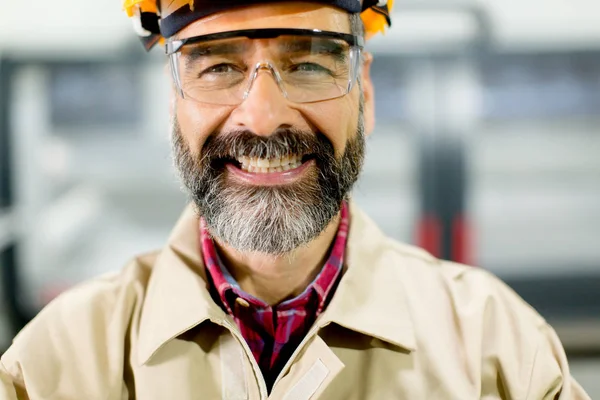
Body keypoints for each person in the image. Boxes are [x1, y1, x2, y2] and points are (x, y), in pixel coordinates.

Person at [0, 0, 591, 398]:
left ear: (364, 92)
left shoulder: (499, 351)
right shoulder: (55, 365)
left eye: (309, 63)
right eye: (218, 68)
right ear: (174, 102)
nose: (262, 117)